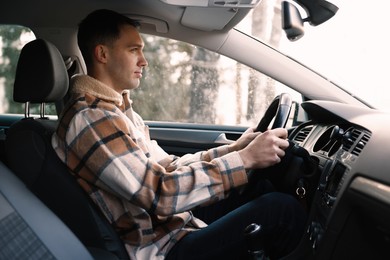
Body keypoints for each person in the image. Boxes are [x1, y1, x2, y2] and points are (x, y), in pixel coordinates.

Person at [52, 9, 306, 260]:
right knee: (281, 211)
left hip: (169, 225)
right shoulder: (91, 118)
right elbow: (159, 193)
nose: (144, 60)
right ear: (102, 54)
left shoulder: (117, 110)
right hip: (159, 246)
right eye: (133, 50)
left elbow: (167, 167)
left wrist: (236, 150)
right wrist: (244, 160)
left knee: (257, 188)